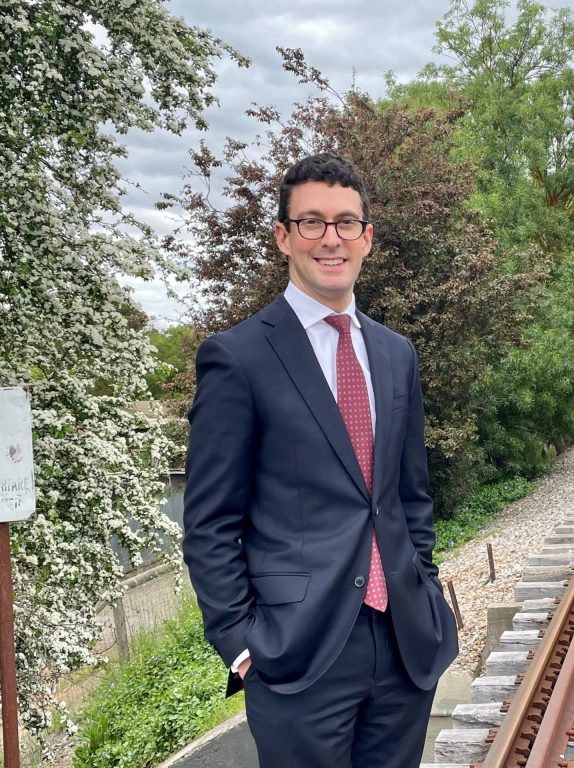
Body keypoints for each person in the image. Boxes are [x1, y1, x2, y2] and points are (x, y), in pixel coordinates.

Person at [183, 153, 458, 767]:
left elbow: (408, 494)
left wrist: (425, 584)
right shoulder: (238, 358)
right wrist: (242, 643)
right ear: (284, 237)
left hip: (405, 643)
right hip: (298, 655)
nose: (330, 238)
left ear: (367, 238)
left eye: (345, 222)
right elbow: (210, 522)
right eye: (311, 222)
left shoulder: (396, 353)